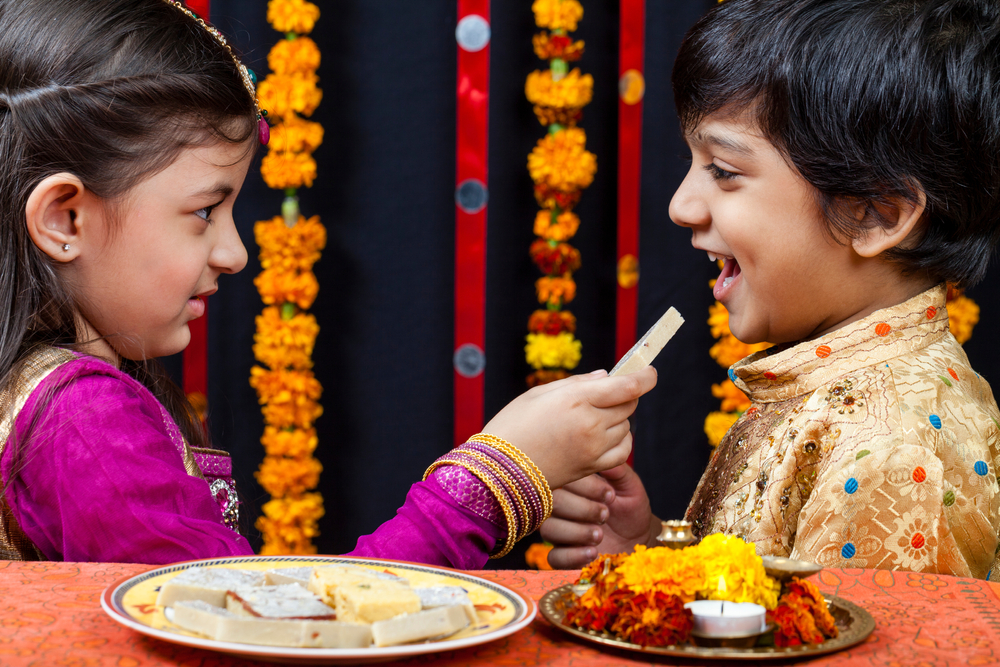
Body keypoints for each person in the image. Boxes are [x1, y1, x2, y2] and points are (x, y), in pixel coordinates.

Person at [0, 0, 656, 566]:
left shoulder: (48, 392)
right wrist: (499, 476)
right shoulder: (80, 420)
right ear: (65, 217)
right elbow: (252, 636)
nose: (235, 252)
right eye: (204, 212)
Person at [541, 0, 1000, 579]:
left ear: (875, 214)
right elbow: (765, 600)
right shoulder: (836, 395)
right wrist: (648, 555)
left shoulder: (894, 451)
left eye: (724, 170)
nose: (679, 207)